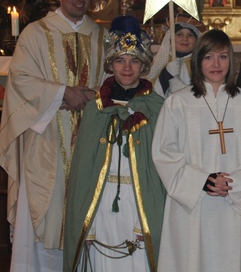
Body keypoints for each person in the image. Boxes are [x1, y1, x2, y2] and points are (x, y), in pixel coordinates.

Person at [0, 0, 105, 272]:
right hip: (47, 141)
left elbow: (114, 80)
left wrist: (93, 96)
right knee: (47, 207)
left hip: (89, 141)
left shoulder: (102, 36)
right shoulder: (35, 33)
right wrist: (61, 93)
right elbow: (20, 79)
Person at [152, 29, 241, 271]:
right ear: (197, 60)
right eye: (208, 57)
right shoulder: (178, 102)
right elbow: (164, 153)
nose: (216, 64)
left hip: (232, 201)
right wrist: (201, 181)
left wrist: (231, 183)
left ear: (231, 61)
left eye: (223, 57)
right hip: (192, 203)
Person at [64, 16, 165, 272]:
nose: (127, 67)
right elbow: (84, 167)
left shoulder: (157, 107)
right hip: (101, 199)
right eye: (120, 60)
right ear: (111, 64)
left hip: (140, 199)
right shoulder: (95, 109)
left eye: (134, 60)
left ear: (143, 65)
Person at [148, 16, 203, 98]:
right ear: (170, 38)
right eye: (179, 34)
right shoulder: (161, 60)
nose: (185, 39)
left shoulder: (201, 63)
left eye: (190, 35)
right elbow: (152, 92)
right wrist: (166, 74)